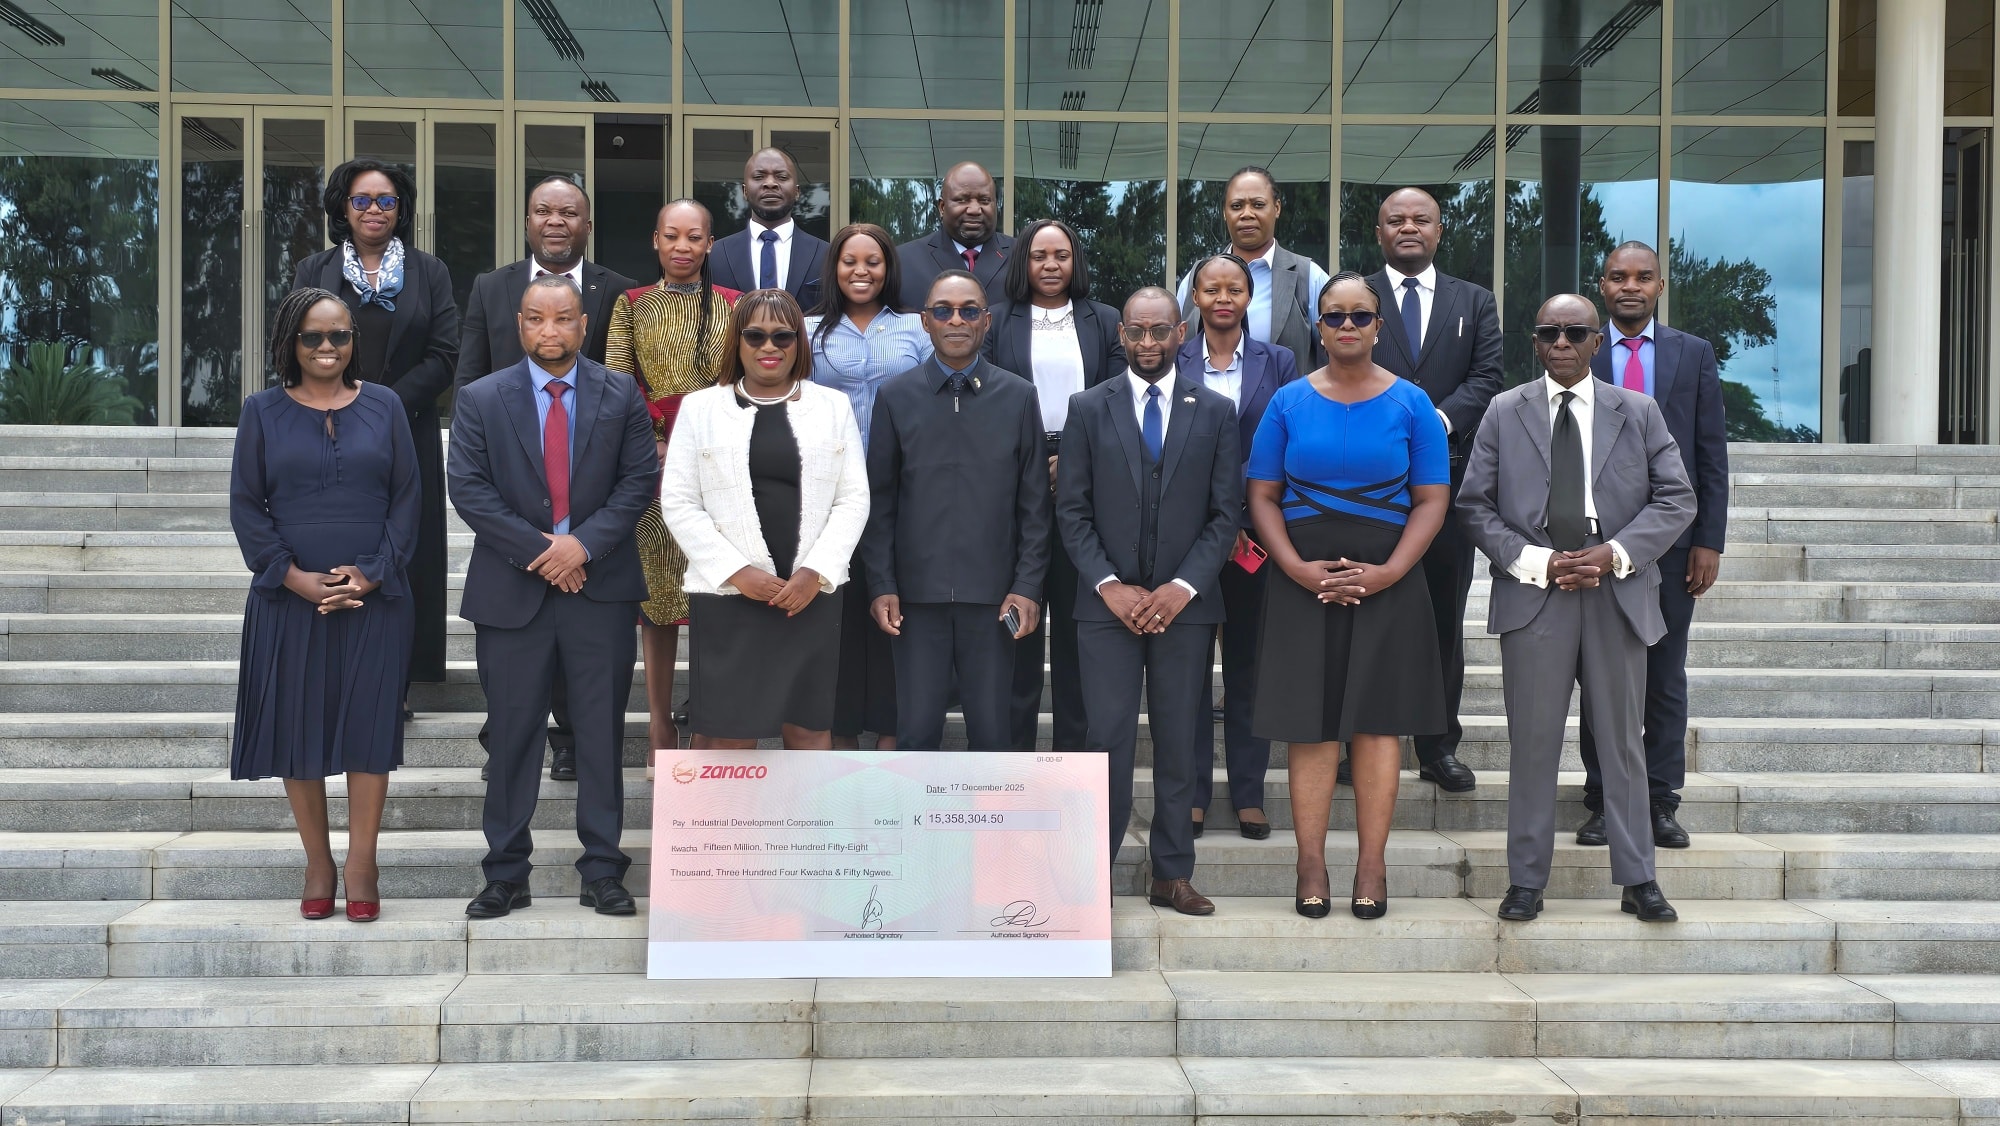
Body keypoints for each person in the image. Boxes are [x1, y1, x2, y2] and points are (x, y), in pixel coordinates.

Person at [1457, 293, 1695, 925]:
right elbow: (1473, 504)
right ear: (1535, 342)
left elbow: (1677, 497)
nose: (1561, 342)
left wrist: (1615, 553)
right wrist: (1536, 561)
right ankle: (1526, 881)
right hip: (1536, 594)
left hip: (1616, 590)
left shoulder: (1637, 411)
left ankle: (1639, 878)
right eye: (1548, 332)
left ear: (1597, 342)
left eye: (1574, 332)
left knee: (1622, 744)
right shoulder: (1505, 411)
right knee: (1533, 744)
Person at [448, 275, 657, 919]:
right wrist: (546, 552)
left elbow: (638, 480)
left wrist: (582, 547)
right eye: (537, 318)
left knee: (599, 733)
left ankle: (604, 869)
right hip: (513, 593)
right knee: (513, 736)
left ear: (583, 325)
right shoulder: (482, 397)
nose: (550, 330)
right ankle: (506, 872)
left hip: (600, 589)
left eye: (563, 318)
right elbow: (469, 488)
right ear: (519, 324)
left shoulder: (622, 393)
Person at [1247, 272, 1450, 921]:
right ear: (1319, 326)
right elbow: (1261, 495)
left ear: (1378, 326)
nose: (1346, 326)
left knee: (1377, 725)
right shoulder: (1287, 402)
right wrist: (1293, 567)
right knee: (1309, 726)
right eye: (1334, 316)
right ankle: (1310, 862)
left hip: (1388, 583)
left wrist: (1390, 572)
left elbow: (1432, 499)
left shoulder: (1414, 404)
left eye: (1360, 316)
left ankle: (1371, 865)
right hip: (1302, 583)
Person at [230, 287, 419, 924]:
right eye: (312, 336)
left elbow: (407, 499)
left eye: (339, 335)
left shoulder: (386, 405)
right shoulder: (260, 411)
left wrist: (372, 574)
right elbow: (245, 505)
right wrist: (293, 577)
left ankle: (362, 864)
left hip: (376, 598)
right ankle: (318, 863)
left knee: (369, 730)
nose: (327, 347)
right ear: (291, 343)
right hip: (289, 600)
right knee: (297, 730)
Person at [1057, 287, 1241, 916]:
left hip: (1185, 608)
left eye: (1159, 330)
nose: (1147, 342)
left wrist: (1181, 588)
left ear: (1181, 332)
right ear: (1121, 336)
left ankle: (1172, 874)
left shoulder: (1215, 410)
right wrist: (1109, 585)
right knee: (1105, 740)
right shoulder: (1087, 408)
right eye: (1136, 331)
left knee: (1179, 738)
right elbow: (1072, 511)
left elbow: (1224, 515)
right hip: (1104, 608)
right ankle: (1094, 877)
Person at [454, 174, 639, 783]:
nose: (555, 221)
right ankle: (509, 772)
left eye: (568, 212)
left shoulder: (619, 291)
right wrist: (545, 549)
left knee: (594, 701)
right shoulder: (492, 288)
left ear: (587, 224)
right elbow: (471, 377)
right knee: (512, 706)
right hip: (516, 512)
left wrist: (580, 544)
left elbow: (634, 464)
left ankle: (574, 754)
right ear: (528, 219)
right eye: (543, 210)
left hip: (594, 519)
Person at [1345, 186, 1505, 794]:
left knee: (1442, 615)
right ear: (1379, 231)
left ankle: (1438, 747)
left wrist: (1432, 421)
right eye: (1396, 219)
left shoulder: (1475, 300)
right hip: (1364, 486)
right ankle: (1357, 742)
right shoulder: (1354, 297)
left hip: (1449, 484)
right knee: (1363, 617)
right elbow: (1334, 368)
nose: (1408, 227)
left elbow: (1487, 376)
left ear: (1439, 231)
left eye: (1421, 219)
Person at [662, 290, 869, 748]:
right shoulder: (700, 408)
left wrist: (815, 573)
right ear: (737, 341)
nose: (768, 346)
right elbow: (678, 501)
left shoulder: (833, 406)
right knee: (729, 737)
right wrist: (738, 573)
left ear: (799, 343)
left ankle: (811, 805)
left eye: (782, 336)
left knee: (810, 731)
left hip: (810, 595)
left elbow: (853, 498)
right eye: (755, 336)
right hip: (728, 596)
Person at [1576, 241, 1729, 850]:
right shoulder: (1581, 349)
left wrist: (1708, 540)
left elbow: (1710, 453)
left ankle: (1661, 800)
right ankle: (1602, 799)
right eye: (1619, 277)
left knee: (1664, 674)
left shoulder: (1693, 354)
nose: (1630, 287)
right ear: (1603, 286)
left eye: (1643, 277)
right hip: (1598, 542)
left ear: (1660, 286)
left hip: (1672, 544)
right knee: (1601, 675)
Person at [293, 159, 458, 711]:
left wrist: (380, 406)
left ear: (400, 209)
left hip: (405, 430)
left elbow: (444, 354)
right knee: (337, 543)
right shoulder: (314, 270)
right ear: (343, 207)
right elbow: (295, 343)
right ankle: (334, 670)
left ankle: (399, 681)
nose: (374, 210)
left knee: (404, 549)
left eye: (386, 200)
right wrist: (342, 402)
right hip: (326, 430)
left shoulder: (429, 271)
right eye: (361, 199)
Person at [862, 269, 1050, 750]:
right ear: (925, 322)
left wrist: (1027, 586)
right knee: (916, 733)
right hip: (915, 600)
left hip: (996, 599)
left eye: (969, 311)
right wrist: (882, 584)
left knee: (994, 736)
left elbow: (1034, 505)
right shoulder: (895, 396)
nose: (956, 320)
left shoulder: (1019, 396)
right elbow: (879, 503)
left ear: (987, 321)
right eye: (943, 311)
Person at [603, 199, 742, 762]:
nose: (682, 246)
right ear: (655, 241)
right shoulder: (632, 304)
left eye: (694, 237)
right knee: (657, 601)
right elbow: (617, 382)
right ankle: (659, 723)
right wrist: (655, 438)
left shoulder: (734, 305)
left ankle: (708, 720)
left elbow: (744, 380)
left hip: (722, 465)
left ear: (710, 243)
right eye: (672, 235)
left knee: (716, 598)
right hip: (653, 463)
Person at [984, 218, 1128, 752]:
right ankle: (1014, 760)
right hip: (1012, 482)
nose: (1050, 265)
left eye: (1061, 255)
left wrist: (1069, 458)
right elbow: (987, 401)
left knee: (1075, 630)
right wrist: (1033, 460)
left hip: (1086, 481)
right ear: (1022, 261)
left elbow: (1117, 400)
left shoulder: (1105, 320)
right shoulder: (996, 320)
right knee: (1016, 626)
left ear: (1076, 261)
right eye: (1039, 255)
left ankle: (1072, 757)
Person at [1175, 252, 1300, 841]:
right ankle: (1193, 795)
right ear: (1194, 298)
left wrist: (1239, 512)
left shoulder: (1280, 361)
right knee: (1189, 673)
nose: (1222, 298)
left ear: (1250, 297)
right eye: (1211, 289)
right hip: (1188, 539)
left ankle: (1248, 793)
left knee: (1248, 668)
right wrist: (1213, 518)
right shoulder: (1173, 357)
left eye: (1234, 289)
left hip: (1255, 535)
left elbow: (1283, 441)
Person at [807, 223, 933, 749]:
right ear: (833, 268)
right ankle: (839, 731)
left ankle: (890, 731)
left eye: (873, 262)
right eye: (850, 261)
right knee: (835, 617)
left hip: (901, 493)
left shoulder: (916, 330)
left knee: (893, 614)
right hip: (827, 498)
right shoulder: (806, 330)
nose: (861, 271)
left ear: (889, 269)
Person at [1175, 166, 1331, 376]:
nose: (1246, 214)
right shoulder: (1196, 278)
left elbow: (1335, 353)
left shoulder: (1309, 276)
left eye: (1258, 205)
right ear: (1224, 212)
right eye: (1236, 206)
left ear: (1277, 208)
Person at [707, 147, 827, 310]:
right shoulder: (715, 255)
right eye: (758, 177)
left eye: (782, 177)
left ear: (797, 191)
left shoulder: (827, 255)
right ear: (745, 191)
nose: (770, 183)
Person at [896, 162, 1015, 311]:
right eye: (962, 200)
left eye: (984, 200)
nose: (974, 210)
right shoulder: (902, 261)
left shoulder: (1022, 257)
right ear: (942, 207)